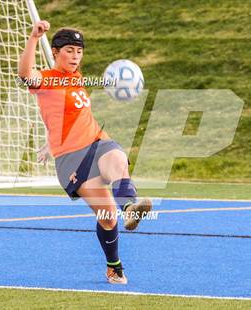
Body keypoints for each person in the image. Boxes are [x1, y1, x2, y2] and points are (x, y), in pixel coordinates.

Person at [18, 21, 152, 285]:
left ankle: (130, 205)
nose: (75, 56)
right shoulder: (45, 79)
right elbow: (25, 74)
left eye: (79, 51)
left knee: (116, 156)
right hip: (70, 159)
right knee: (107, 216)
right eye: (69, 50)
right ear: (55, 52)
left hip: (96, 142)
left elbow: (65, 115)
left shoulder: (77, 79)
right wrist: (34, 37)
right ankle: (114, 267)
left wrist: (49, 136)